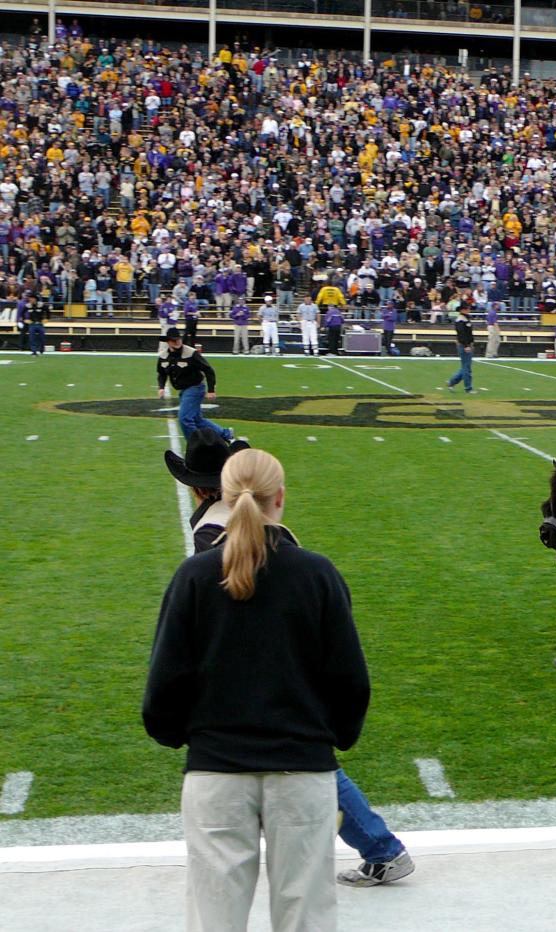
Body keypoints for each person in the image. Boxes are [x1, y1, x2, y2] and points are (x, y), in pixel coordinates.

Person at [163, 433, 416, 891]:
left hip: (252, 686)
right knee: (308, 766)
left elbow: (230, 613)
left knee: (301, 770)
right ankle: (381, 847)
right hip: (287, 678)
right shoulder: (263, 529)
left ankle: (383, 847)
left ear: (203, 488)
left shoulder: (212, 533)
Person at [142, 448, 372, 930]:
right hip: (302, 774)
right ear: (280, 498)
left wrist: (192, 737)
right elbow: (350, 682)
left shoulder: (194, 576)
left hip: (216, 775)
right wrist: (326, 737)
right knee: (306, 915)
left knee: (213, 918)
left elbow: (163, 689)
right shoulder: (317, 574)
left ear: (223, 499)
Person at [157, 328, 233, 442]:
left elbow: (208, 370)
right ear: (168, 342)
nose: (177, 342)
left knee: (184, 419)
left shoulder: (191, 353)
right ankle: (225, 434)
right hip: (183, 391)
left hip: (195, 388)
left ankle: (195, 446)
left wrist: (211, 389)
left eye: (178, 339)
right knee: (197, 420)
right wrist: (161, 387)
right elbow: (161, 373)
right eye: (173, 340)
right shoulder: (163, 356)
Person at [447, 305, 475, 392]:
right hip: (464, 345)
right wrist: (466, 345)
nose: (469, 310)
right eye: (468, 308)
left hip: (467, 344)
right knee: (466, 368)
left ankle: (452, 382)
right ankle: (468, 388)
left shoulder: (465, 318)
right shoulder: (460, 320)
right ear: (463, 310)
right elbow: (461, 334)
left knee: (465, 367)